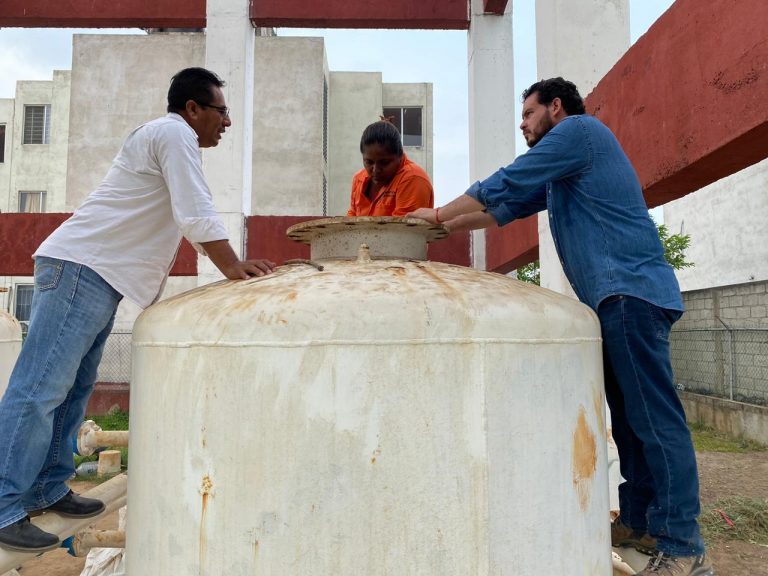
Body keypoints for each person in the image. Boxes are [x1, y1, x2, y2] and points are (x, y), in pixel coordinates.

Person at [409, 78, 713, 576]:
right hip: (614, 301)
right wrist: (438, 227)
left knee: (656, 423)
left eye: (528, 113)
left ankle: (684, 547)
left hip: (631, 293)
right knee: (633, 425)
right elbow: (500, 208)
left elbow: (505, 181)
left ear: (555, 107)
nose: (523, 124)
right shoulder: (562, 172)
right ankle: (639, 521)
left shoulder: (579, 134)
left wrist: (440, 212)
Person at [0, 67, 275, 553]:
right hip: (80, 267)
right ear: (193, 109)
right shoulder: (174, 133)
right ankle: (4, 506)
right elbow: (195, 211)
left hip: (96, 275)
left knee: (71, 390)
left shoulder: (169, 138)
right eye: (222, 111)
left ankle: (46, 487)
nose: (226, 123)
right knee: (39, 389)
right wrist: (232, 266)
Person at [347, 119, 433, 217]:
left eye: (384, 163)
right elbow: (351, 220)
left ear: (400, 156)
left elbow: (402, 229)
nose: (375, 170)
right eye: (369, 162)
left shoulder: (413, 178)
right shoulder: (359, 179)